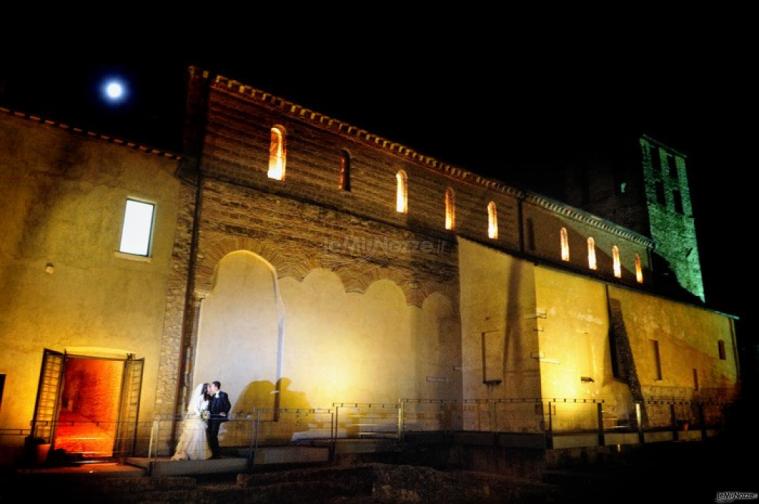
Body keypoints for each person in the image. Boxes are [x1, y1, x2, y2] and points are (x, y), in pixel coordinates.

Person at [171, 383, 211, 460]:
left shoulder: (207, 398)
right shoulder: (200, 397)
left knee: (198, 436)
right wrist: (201, 415)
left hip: (201, 419)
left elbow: (204, 409)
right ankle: (188, 452)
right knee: (193, 435)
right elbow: (196, 408)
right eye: (209, 387)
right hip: (197, 418)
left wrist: (205, 415)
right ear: (205, 388)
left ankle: (197, 453)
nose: (210, 388)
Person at [206, 381, 231, 459]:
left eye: (212, 387)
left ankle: (216, 454)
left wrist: (224, 412)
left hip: (217, 418)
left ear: (216, 387)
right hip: (211, 418)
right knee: (210, 435)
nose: (211, 388)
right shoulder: (212, 396)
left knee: (213, 435)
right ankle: (212, 452)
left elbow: (228, 405)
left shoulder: (223, 395)